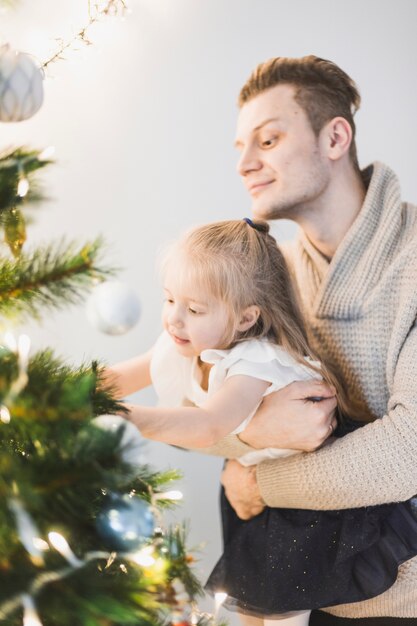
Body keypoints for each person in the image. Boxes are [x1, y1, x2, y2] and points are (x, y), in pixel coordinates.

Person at [104, 219, 417, 626]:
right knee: (252, 608)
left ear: (246, 319)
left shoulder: (254, 363)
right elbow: (122, 376)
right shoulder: (185, 340)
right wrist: (61, 390)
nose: (174, 320)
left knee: (280, 612)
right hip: (260, 492)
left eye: (194, 309)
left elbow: (210, 425)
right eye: (169, 300)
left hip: (312, 505)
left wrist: (131, 419)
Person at [213, 55, 417, 624]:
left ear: (335, 137)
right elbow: (210, 394)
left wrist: (261, 481)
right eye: (239, 149)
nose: (246, 164)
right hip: (317, 598)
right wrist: (253, 429)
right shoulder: (268, 276)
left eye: (269, 140)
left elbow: (409, 451)